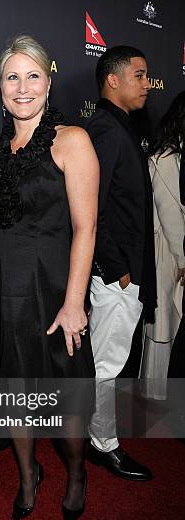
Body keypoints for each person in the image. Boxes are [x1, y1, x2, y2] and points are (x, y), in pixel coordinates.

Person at [0, 35, 99, 520]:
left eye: (32, 75)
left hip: (58, 291)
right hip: (8, 293)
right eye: (12, 76)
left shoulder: (71, 140)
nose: (22, 87)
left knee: (68, 394)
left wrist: (75, 301)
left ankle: (76, 472)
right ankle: (27, 473)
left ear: (49, 83)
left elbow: (86, 227)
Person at [85, 46, 157, 479]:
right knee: (106, 367)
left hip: (123, 275)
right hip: (116, 277)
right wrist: (118, 270)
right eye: (140, 75)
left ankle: (100, 437)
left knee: (109, 364)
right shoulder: (107, 131)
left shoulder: (118, 127)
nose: (148, 84)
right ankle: (103, 445)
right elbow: (93, 207)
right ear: (114, 80)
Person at [141, 92, 185, 399]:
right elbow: (171, 217)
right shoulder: (165, 160)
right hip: (167, 254)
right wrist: (184, 260)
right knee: (163, 326)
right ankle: (156, 394)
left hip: (177, 252)